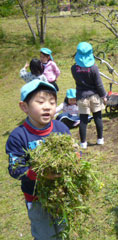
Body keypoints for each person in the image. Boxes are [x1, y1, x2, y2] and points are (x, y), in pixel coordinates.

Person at [6, 80, 70, 239]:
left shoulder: (61, 129)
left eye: (52, 102)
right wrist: (38, 174)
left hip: (62, 193)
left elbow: (73, 154)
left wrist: (76, 156)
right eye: (40, 102)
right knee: (44, 234)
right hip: (36, 198)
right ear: (24, 107)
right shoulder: (18, 136)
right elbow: (15, 168)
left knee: (63, 229)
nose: (47, 106)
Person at [71, 42, 107, 149]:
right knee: (98, 118)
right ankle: (100, 139)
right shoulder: (94, 68)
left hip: (81, 97)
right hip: (94, 96)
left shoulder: (74, 68)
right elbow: (99, 84)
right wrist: (104, 96)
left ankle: (83, 143)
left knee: (83, 120)